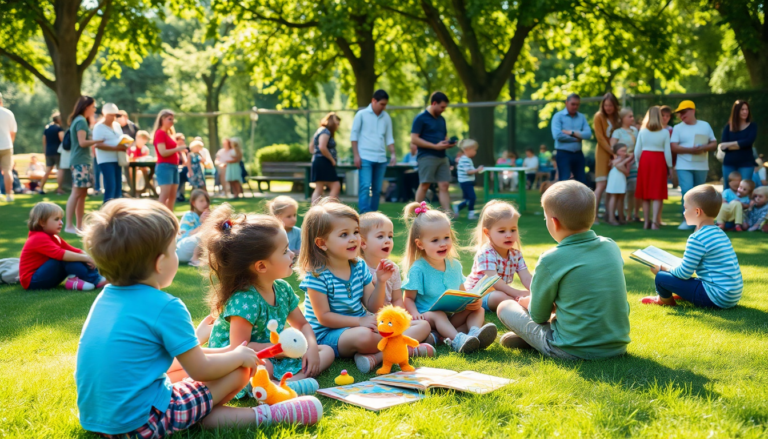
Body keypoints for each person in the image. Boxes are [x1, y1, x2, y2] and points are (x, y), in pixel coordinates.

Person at [75, 199, 322, 437]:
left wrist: (230, 352)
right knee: (241, 370)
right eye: (173, 249)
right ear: (160, 263)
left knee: (221, 369)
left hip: (96, 420)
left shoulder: (105, 299)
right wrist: (237, 357)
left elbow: (184, 358)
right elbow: (200, 369)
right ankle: (269, 415)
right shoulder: (166, 307)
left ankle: (216, 407)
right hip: (142, 423)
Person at [195, 204, 334, 397]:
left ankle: (285, 384)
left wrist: (309, 348)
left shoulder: (283, 289)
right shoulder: (244, 300)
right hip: (245, 357)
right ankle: (280, 384)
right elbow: (241, 348)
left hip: (276, 352)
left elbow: (302, 324)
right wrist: (282, 349)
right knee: (263, 367)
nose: (292, 254)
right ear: (261, 266)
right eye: (284, 251)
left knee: (325, 351)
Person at [497, 180, 630, 360]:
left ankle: (535, 340)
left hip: (570, 350)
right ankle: (531, 339)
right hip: (616, 346)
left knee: (505, 306)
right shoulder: (611, 247)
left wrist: (528, 303)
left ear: (554, 222)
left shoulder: (550, 259)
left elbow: (539, 316)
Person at [297, 199, 432, 373]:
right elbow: (324, 317)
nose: (354, 239)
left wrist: (381, 281)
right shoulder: (317, 275)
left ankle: (379, 356)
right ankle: (404, 348)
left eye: (356, 232)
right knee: (364, 336)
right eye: (344, 234)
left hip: (361, 325)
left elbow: (373, 306)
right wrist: (360, 321)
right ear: (322, 243)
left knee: (422, 325)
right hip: (330, 334)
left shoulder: (359, 265)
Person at [401, 201, 498, 354]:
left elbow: (462, 294)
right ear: (420, 244)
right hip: (427, 318)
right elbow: (408, 298)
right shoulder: (418, 269)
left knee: (478, 310)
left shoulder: (455, 265)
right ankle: (457, 340)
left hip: (450, 317)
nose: (443, 244)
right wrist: (415, 314)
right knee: (439, 315)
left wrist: (472, 301)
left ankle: (473, 334)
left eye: (446, 237)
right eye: (435, 240)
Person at [642, 185, 742, 308]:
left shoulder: (697, 238)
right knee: (686, 278)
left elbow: (684, 274)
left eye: (685, 208)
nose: (684, 212)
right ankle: (685, 293)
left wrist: (663, 268)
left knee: (661, 277)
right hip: (730, 296)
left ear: (697, 212)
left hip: (715, 297)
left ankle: (664, 300)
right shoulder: (719, 233)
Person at [19, 202, 106, 291]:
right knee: (65, 257)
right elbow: (60, 254)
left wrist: (89, 258)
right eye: (56, 219)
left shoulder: (53, 237)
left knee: (73, 256)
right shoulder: (38, 237)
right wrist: (86, 258)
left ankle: (79, 279)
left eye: (61, 219)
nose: (61, 223)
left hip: (44, 277)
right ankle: (94, 280)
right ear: (42, 222)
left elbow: (73, 250)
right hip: (32, 281)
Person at [464, 200, 531, 313]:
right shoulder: (486, 253)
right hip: (478, 296)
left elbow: (526, 277)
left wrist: (536, 291)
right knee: (499, 296)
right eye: (502, 231)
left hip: (499, 292)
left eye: (513, 230)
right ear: (487, 233)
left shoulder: (515, 254)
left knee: (508, 295)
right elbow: (494, 282)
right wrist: (518, 293)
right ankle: (523, 304)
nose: (508, 235)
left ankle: (528, 302)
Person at [670, 100, 717, 230]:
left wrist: (704, 147)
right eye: (679, 113)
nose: (681, 115)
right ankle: (687, 221)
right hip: (684, 165)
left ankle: (700, 222)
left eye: (684, 112)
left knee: (700, 195)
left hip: (701, 165)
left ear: (693, 111)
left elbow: (714, 144)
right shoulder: (677, 128)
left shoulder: (705, 125)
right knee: (687, 192)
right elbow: (673, 147)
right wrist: (690, 150)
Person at [351, 89, 396, 213]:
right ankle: (364, 215)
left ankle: (374, 215)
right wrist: (356, 155)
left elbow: (389, 138)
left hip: (381, 159)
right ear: (374, 101)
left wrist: (393, 154)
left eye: (385, 104)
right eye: (382, 104)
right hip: (365, 157)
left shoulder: (386, 117)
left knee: (377, 190)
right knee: (365, 187)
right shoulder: (361, 115)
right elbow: (354, 136)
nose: (384, 107)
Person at [411, 91, 456, 213]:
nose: (443, 110)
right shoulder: (421, 118)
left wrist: (448, 143)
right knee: (425, 185)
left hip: (442, 157)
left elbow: (444, 137)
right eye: (442, 107)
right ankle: (417, 212)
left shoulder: (442, 119)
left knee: (444, 185)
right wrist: (435, 146)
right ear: (434, 103)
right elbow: (414, 139)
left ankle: (447, 213)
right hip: (427, 157)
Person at [65, 96, 102, 234]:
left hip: (83, 161)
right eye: (93, 106)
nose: (95, 109)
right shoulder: (80, 121)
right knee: (76, 193)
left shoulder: (80, 120)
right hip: (80, 161)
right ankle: (69, 225)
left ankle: (80, 226)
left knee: (82, 194)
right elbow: (82, 143)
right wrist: (98, 141)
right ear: (87, 107)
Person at [635, 106, 673, 230]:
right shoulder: (665, 132)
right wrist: (670, 167)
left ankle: (646, 222)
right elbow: (668, 152)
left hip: (645, 161)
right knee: (657, 193)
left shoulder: (642, 131)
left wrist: (638, 164)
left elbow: (637, 151)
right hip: (659, 161)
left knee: (645, 194)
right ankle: (655, 223)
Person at [551, 94, 592, 184]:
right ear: (566, 103)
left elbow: (588, 134)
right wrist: (576, 138)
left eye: (577, 104)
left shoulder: (582, 117)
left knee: (582, 182)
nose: (575, 107)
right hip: (563, 154)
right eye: (573, 104)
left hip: (578, 154)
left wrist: (572, 133)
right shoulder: (558, 116)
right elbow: (557, 135)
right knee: (564, 181)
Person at [92, 103, 129, 204]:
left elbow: (120, 139)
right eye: (110, 115)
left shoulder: (117, 125)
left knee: (118, 187)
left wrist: (125, 144)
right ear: (104, 114)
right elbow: (97, 144)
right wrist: (115, 148)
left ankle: (116, 210)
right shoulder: (99, 127)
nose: (113, 118)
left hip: (117, 159)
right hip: (106, 160)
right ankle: (107, 209)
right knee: (110, 186)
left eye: (114, 115)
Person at [592, 92, 620, 223]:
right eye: (606, 105)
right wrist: (612, 151)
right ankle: (594, 216)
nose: (608, 108)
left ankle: (609, 215)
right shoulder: (598, 116)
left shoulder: (617, 118)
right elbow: (600, 138)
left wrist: (616, 153)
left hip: (615, 153)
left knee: (611, 185)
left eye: (610, 105)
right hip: (603, 153)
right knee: (601, 185)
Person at [153, 109, 186, 210]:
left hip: (174, 166)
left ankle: (170, 216)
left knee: (172, 196)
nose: (172, 121)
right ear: (162, 119)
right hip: (165, 166)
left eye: (173, 119)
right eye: (169, 119)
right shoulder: (160, 133)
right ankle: (159, 216)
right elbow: (163, 152)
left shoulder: (170, 134)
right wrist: (178, 148)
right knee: (164, 195)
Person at [610, 108, 640, 222]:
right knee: (620, 190)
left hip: (633, 163)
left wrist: (633, 157)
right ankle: (618, 214)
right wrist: (619, 161)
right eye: (629, 116)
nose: (632, 118)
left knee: (633, 189)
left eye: (632, 116)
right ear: (622, 118)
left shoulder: (635, 131)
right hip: (621, 164)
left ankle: (631, 214)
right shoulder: (617, 132)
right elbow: (613, 148)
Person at [719, 100, 756, 181]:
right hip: (729, 164)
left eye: (746, 109)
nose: (745, 112)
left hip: (746, 164)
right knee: (728, 188)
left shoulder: (752, 126)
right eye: (742, 109)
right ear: (736, 111)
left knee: (745, 187)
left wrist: (729, 144)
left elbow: (748, 142)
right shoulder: (728, 127)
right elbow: (723, 147)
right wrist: (741, 145)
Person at [310, 113, 342, 204]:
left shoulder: (319, 130)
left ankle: (315, 209)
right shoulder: (325, 132)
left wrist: (316, 157)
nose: (338, 126)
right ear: (332, 122)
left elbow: (311, 147)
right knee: (336, 185)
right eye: (337, 123)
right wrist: (332, 160)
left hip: (319, 161)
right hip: (324, 162)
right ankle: (330, 206)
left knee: (319, 188)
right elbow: (322, 147)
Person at [176, 189, 210, 265]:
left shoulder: (208, 215)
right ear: (193, 203)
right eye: (201, 201)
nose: (205, 203)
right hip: (183, 248)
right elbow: (184, 235)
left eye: (207, 201)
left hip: (196, 247)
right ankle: (194, 259)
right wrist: (202, 224)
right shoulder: (189, 216)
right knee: (205, 234)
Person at [453, 139, 484, 219]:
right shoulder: (465, 159)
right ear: (467, 149)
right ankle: (471, 214)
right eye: (474, 150)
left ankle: (458, 207)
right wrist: (478, 170)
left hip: (466, 182)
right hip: (466, 182)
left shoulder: (466, 159)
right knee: (472, 198)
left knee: (468, 199)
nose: (475, 152)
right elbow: (468, 171)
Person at [605, 144, 633, 225]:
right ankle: (611, 218)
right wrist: (627, 159)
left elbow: (626, 170)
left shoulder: (624, 160)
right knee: (614, 196)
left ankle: (621, 217)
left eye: (625, 150)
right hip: (615, 177)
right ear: (617, 151)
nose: (624, 152)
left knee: (621, 197)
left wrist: (628, 160)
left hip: (621, 177)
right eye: (622, 151)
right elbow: (617, 165)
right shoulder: (617, 159)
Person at [41, 113, 65, 195]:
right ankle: (59, 189)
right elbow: (62, 139)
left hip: (49, 152)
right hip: (57, 152)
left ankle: (41, 187)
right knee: (60, 169)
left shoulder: (47, 128)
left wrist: (45, 152)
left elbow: (44, 141)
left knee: (48, 170)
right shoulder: (58, 128)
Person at [0, 92, 17, 202]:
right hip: (6, 145)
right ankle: (9, 195)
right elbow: (13, 132)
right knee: (7, 171)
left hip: (6, 145)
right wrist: (11, 143)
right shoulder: (8, 113)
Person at [659, 105, 678, 188]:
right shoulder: (654, 130)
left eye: (667, 116)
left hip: (670, 160)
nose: (665, 118)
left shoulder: (672, 130)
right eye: (663, 115)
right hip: (658, 159)